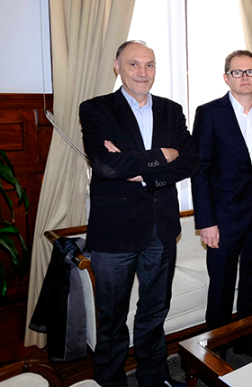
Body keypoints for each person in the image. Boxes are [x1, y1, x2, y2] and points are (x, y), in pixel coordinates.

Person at [79, 40, 199, 387]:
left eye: (149, 65)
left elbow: (191, 160)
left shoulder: (171, 110)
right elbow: (104, 165)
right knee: (112, 318)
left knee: (154, 312)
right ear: (117, 66)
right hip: (114, 231)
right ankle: (111, 382)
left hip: (161, 230)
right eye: (133, 65)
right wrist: (163, 154)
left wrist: (138, 166)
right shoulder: (96, 109)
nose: (142, 73)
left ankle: (154, 379)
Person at [191, 50, 252, 360]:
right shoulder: (210, 113)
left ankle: (246, 341)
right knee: (222, 287)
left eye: (250, 71)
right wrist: (205, 221)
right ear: (226, 78)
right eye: (237, 72)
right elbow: (200, 170)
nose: (245, 77)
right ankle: (215, 349)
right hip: (222, 218)